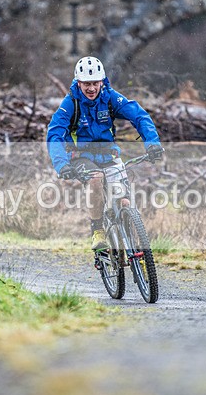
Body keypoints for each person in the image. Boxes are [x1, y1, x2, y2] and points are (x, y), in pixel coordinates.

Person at [46, 56, 164, 251]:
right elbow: (55, 134)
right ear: (79, 82)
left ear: (102, 81)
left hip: (109, 155)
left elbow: (140, 115)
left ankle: (136, 249)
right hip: (81, 157)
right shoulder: (71, 104)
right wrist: (62, 165)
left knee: (124, 202)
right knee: (95, 178)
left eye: (95, 83)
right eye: (86, 84)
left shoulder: (110, 97)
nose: (91, 88)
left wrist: (152, 143)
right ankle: (98, 230)